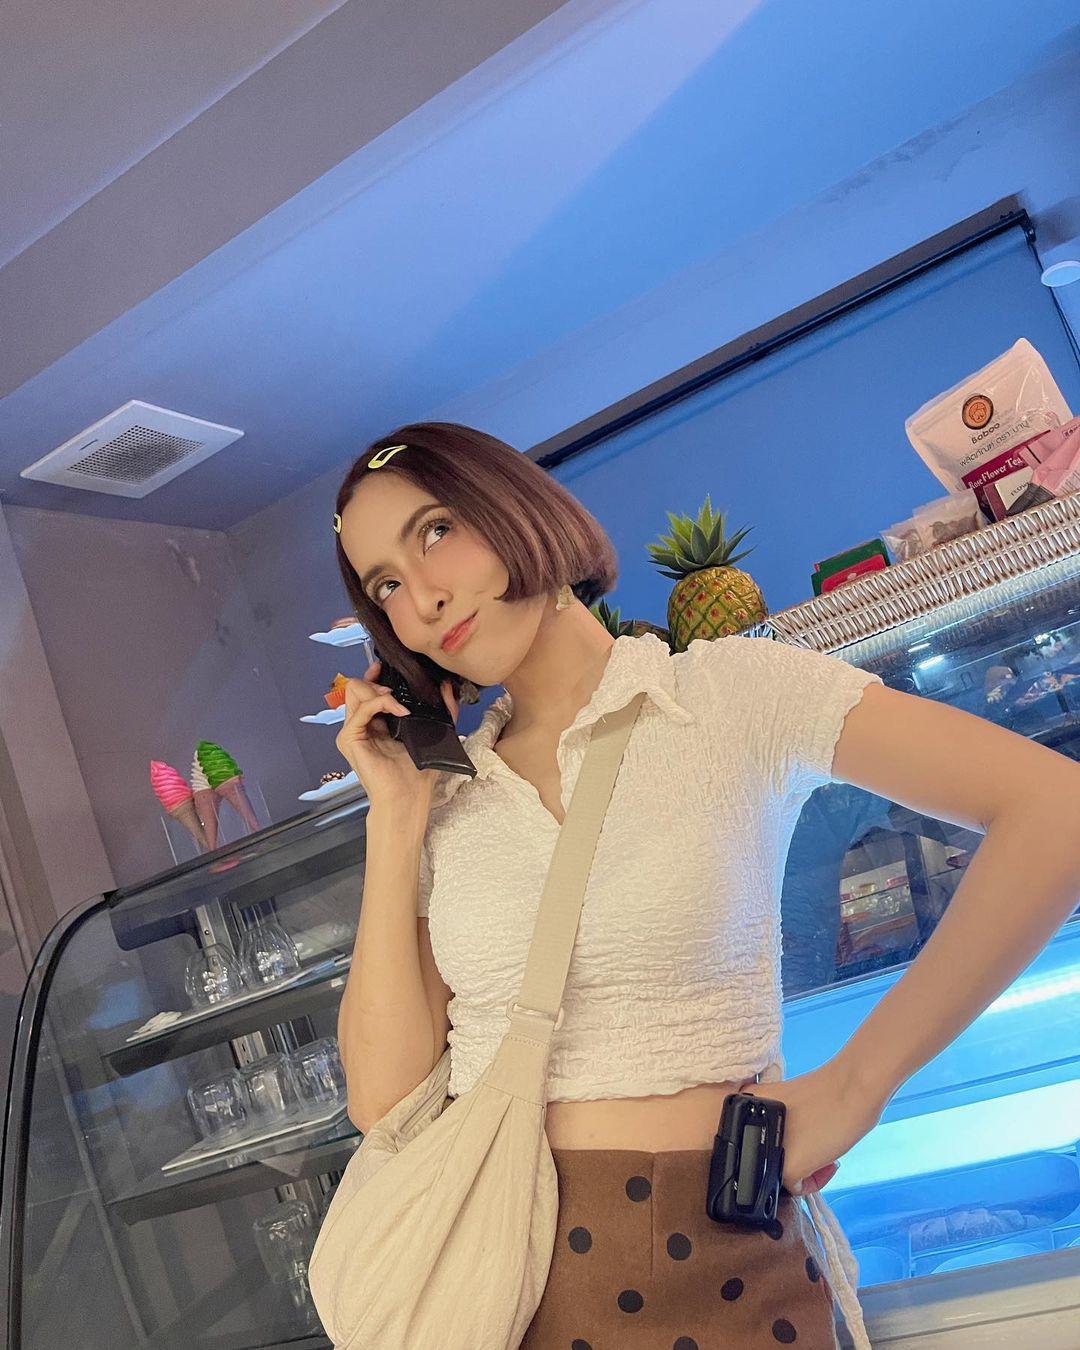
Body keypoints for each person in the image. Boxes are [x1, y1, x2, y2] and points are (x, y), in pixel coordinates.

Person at [329, 422, 1080, 1349]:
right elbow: (383, 1100)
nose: (423, 598)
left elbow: (1055, 811)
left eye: (436, 531)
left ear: (514, 509)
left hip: (727, 1263)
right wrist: (395, 816)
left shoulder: (729, 694)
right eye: (385, 586)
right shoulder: (447, 803)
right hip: (501, 1287)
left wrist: (857, 1085)